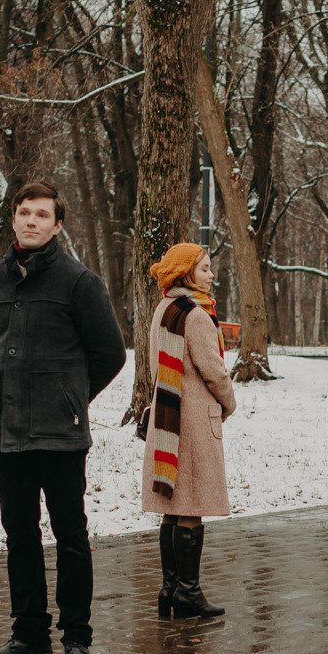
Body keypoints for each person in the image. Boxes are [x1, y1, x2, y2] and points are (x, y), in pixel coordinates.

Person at [0, 182, 127, 654]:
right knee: (19, 535)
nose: (31, 221)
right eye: (24, 213)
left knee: (70, 535)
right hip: (5, 433)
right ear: (14, 219)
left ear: (57, 225)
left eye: (42, 215)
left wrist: (69, 398)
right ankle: (29, 636)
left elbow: (110, 354)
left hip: (60, 435)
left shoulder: (80, 283)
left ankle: (77, 639)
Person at [141, 243, 237, 618]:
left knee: (172, 507)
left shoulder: (164, 308)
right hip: (193, 423)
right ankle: (188, 593)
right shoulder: (195, 315)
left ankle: (170, 589)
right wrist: (229, 403)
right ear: (186, 273)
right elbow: (214, 371)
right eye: (205, 269)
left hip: (168, 420)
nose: (211, 275)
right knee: (191, 507)